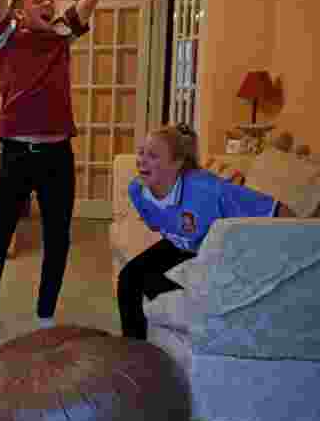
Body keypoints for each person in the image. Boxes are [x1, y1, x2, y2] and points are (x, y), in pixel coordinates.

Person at [0, 0, 101, 332]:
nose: (49, 5)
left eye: (51, 2)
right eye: (40, 1)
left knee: (58, 236)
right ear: (19, 10)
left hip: (56, 154)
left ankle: (45, 314)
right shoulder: (5, 38)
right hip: (17, 152)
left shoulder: (62, 33)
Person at [117, 124, 295, 339]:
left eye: (152, 156)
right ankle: (135, 352)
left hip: (216, 248)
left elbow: (280, 210)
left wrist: (298, 244)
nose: (142, 160)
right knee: (130, 278)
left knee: (186, 289)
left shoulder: (209, 190)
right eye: (141, 152)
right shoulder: (137, 190)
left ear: (177, 164)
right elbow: (157, 225)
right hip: (182, 244)